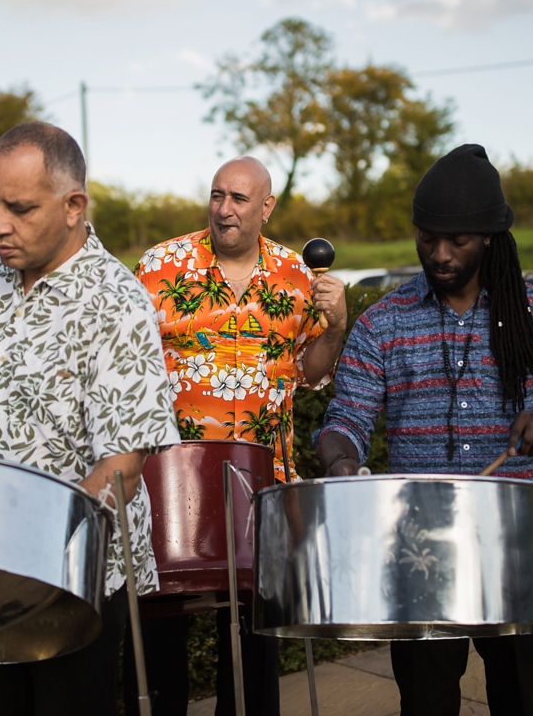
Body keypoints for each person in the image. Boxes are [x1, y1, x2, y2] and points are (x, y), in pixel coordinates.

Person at [315, 144, 533, 716]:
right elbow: (346, 417)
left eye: (457, 240)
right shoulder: (385, 321)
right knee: (426, 702)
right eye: (427, 237)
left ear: (489, 238)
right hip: (419, 550)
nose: (439, 253)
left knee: (523, 699)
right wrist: (342, 463)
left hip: (515, 547)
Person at [0, 122, 181, 716]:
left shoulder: (119, 302)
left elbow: (121, 471)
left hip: (73, 579)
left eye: (19, 208)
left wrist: (33, 554)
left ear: (72, 206)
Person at [126, 156, 348, 716]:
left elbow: (312, 372)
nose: (224, 209)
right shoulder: (159, 266)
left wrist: (338, 325)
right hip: (169, 484)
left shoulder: (299, 277)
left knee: (254, 650)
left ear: (266, 208)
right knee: (158, 643)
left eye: (239, 199)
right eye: (217, 195)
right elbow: (122, 367)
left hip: (263, 480)